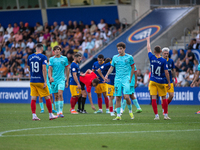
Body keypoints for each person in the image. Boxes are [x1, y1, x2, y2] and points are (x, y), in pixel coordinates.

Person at [105, 42, 134, 120]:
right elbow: (111, 67)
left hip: (126, 79)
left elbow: (133, 68)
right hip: (117, 80)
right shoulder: (115, 57)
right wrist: (107, 74)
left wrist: (130, 77)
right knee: (118, 97)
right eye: (118, 49)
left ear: (124, 49)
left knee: (127, 97)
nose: (119, 50)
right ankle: (118, 115)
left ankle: (130, 111)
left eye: (120, 49)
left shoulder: (129, 57)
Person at [27, 43, 57, 121]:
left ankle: (34, 115)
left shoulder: (30, 57)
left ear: (36, 48)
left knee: (33, 98)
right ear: (42, 49)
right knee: (47, 97)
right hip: (40, 81)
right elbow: (44, 69)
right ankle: (51, 115)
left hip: (32, 80)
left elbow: (29, 68)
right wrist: (45, 81)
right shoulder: (43, 57)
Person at [146, 36, 171, 120]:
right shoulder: (164, 60)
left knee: (153, 98)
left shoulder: (151, 57)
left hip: (152, 81)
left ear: (154, 51)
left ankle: (156, 116)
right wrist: (168, 82)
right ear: (161, 51)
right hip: (161, 82)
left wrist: (148, 40)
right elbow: (166, 73)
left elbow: (148, 48)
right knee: (163, 98)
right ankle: (165, 115)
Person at [49, 45, 70, 118]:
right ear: (53, 51)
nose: (57, 51)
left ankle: (61, 112)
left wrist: (67, 80)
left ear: (60, 51)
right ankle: (57, 112)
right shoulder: (51, 59)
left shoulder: (64, 59)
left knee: (60, 94)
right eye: (55, 50)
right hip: (54, 80)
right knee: (56, 96)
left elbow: (67, 69)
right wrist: (50, 77)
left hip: (61, 80)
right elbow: (50, 69)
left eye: (58, 49)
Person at [162, 47, 175, 115]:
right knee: (163, 96)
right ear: (162, 53)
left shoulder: (171, 61)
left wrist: (175, 78)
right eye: (165, 53)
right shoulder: (160, 61)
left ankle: (164, 106)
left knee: (171, 95)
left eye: (167, 53)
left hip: (170, 81)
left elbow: (173, 70)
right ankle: (164, 111)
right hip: (163, 81)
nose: (166, 55)